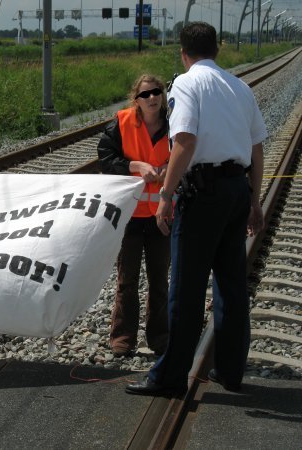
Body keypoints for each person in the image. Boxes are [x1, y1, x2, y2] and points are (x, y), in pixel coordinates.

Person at [126, 22, 267, 396]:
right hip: (238, 189)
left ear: (183, 52)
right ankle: (232, 370)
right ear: (217, 49)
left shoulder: (187, 83)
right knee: (232, 284)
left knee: (186, 290)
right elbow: (256, 149)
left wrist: (165, 196)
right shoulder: (239, 87)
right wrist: (254, 201)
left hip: (202, 194)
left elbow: (184, 142)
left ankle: (170, 377)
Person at [98, 74, 171, 357]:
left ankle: (160, 338)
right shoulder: (122, 123)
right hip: (128, 216)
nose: (152, 97)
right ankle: (123, 338)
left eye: (157, 92)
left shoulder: (175, 123)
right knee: (127, 280)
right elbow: (106, 159)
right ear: (136, 99)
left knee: (159, 280)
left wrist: (171, 170)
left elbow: (188, 154)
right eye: (146, 94)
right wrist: (135, 166)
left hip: (162, 217)